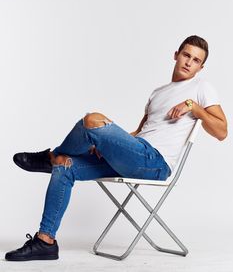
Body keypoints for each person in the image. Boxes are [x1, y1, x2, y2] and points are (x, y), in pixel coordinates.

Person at [5, 35, 227, 261]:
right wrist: (106, 144)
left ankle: (49, 157)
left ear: (201, 67)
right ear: (176, 55)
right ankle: (45, 241)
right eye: (186, 55)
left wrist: (193, 107)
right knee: (65, 165)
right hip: (137, 152)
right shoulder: (158, 93)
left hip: (155, 163)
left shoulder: (201, 87)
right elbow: (139, 133)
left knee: (92, 119)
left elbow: (222, 132)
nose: (189, 62)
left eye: (196, 60)